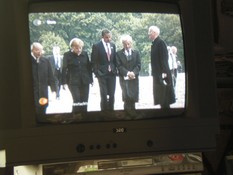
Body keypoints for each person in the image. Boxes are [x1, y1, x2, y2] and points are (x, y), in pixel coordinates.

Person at [62, 38, 93, 113]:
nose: (79, 49)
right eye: (76, 48)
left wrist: (91, 80)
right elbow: (64, 69)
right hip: (73, 81)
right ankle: (75, 117)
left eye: (80, 48)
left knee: (85, 100)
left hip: (85, 81)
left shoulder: (85, 54)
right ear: (72, 47)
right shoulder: (67, 55)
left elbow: (88, 67)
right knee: (77, 100)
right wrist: (64, 82)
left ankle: (84, 117)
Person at [148, 26, 176, 109]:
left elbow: (164, 58)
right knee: (161, 98)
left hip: (162, 74)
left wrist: (164, 72)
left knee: (164, 98)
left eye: (150, 31)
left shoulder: (160, 43)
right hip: (157, 74)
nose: (148, 34)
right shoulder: (155, 43)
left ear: (154, 33)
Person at [91, 29, 117, 111]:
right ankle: (104, 113)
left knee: (112, 95)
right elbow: (93, 61)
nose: (109, 39)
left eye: (110, 37)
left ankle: (111, 111)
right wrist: (97, 72)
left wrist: (115, 69)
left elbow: (114, 59)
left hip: (112, 73)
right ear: (102, 37)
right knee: (104, 95)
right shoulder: (96, 46)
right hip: (102, 74)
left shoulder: (113, 45)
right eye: (107, 37)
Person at [31, 42, 56, 119]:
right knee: (35, 109)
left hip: (43, 91)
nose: (40, 52)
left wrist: (53, 89)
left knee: (43, 108)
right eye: (37, 50)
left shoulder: (45, 61)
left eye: (41, 50)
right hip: (33, 91)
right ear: (32, 50)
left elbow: (51, 76)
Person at [116, 35, 141, 110]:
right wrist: (127, 73)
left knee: (133, 98)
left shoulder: (136, 53)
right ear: (122, 44)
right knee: (126, 97)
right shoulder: (118, 54)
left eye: (128, 44)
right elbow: (119, 66)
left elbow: (138, 65)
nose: (127, 46)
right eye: (125, 44)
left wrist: (133, 73)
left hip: (134, 78)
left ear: (131, 43)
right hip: (124, 79)